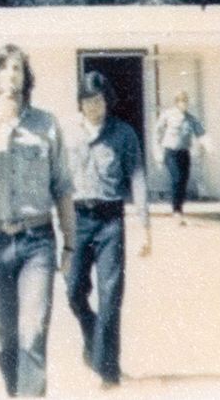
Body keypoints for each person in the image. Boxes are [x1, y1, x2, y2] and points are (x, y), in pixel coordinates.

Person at [0, 44, 75, 397]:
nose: (12, 76)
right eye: (5, 69)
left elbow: (63, 187)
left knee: (34, 331)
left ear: (27, 79)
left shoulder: (46, 124)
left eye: (19, 69)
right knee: (2, 338)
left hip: (36, 241)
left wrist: (69, 245)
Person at [66, 70, 151, 389]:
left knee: (110, 295)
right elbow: (57, 179)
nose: (93, 106)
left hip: (111, 220)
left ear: (107, 101)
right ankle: (93, 339)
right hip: (77, 220)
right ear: (80, 103)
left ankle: (109, 372)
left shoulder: (124, 134)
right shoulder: (68, 134)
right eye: (87, 100)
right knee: (74, 292)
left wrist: (145, 228)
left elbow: (138, 178)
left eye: (99, 99)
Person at [154, 90, 206, 222]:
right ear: (176, 102)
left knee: (183, 181)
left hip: (184, 152)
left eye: (185, 101)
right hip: (170, 152)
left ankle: (179, 209)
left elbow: (201, 133)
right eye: (181, 101)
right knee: (176, 178)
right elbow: (157, 134)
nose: (184, 103)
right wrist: (158, 154)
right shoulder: (167, 115)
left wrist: (209, 146)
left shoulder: (190, 118)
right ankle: (175, 210)